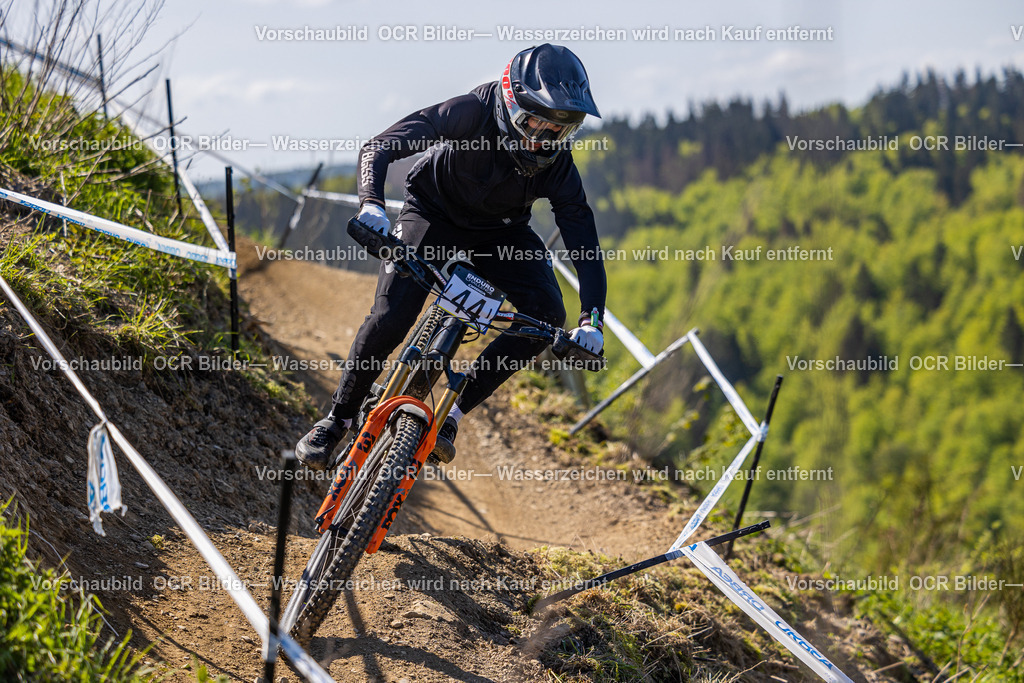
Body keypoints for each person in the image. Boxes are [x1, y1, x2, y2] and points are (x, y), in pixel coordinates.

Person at [295, 43, 607, 470]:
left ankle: (451, 416)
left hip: (500, 232)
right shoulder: (469, 112)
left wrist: (592, 320)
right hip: (432, 213)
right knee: (391, 317)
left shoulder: (557, 165)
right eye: (537, 122)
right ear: (511, 104)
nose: (544, 140)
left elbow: (584, 241)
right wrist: (371, 205)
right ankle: (337, 419)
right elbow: (379, 147)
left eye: (560, 130)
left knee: (548, 314)